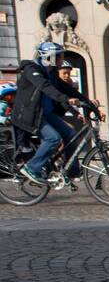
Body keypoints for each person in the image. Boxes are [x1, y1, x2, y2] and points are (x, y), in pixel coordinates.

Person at [10, 42, 95, 185]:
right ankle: (32, 168)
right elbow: (45, 87)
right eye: (59, 56)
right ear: (50, 57)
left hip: (46, 114)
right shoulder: (32, 70)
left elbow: (68, 90)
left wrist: (90, 103)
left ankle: (71, 171)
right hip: (31, 115)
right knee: (53, 138)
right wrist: (67, 99)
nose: (61, 59)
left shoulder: (51, 73)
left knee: (71, 134)